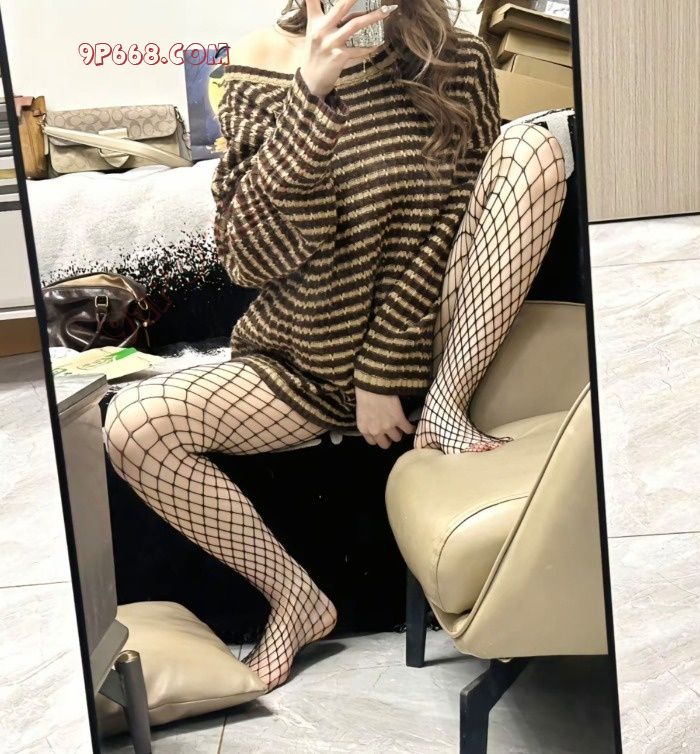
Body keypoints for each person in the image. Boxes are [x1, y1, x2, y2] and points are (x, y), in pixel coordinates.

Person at [105, 0, 566, 691]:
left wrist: (382, 370)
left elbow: (449, 230)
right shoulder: (257, 62)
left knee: (536, 149)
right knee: (133, 425)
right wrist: (310, 98)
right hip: (302, 358)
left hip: (431, 337)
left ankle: (444, 406)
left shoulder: (455, 59)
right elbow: (249, 259)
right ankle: (294, 599)